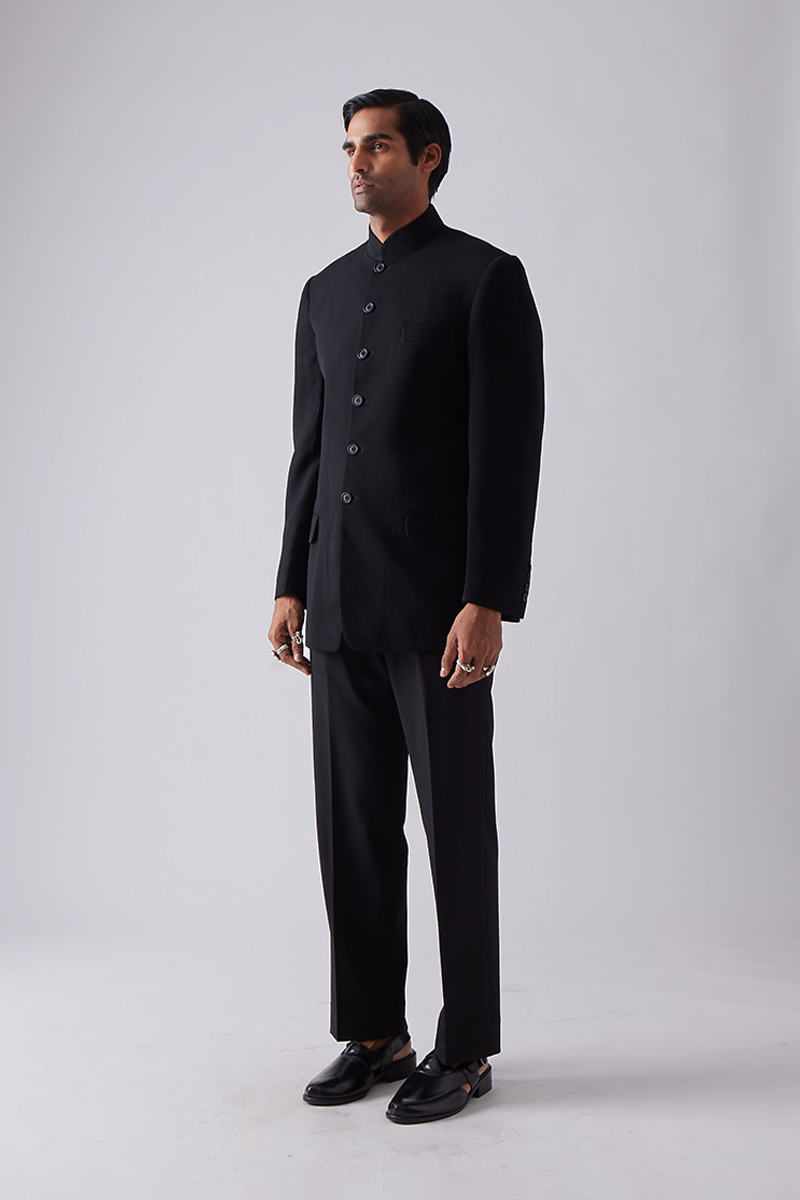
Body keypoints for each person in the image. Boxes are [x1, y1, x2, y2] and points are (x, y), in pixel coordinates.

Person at [269, 88, 545, 1124]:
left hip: (438, 613)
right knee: (351, 828)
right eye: (348, 146)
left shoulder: (483, 278)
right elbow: (308, 454)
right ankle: (373, 1032)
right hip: (338, 603)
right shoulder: (323, 291)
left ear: (428, 158)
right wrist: (289, 580)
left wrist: (489, 598)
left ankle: (465, 1046)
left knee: (454, 828)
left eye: (377, 146)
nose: (357, 162)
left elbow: (506, 452)